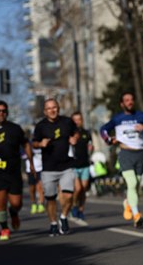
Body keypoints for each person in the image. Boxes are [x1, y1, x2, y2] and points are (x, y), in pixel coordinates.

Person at [100, 92, 143, 228]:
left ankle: (128, 203)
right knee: (131, 183)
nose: (130, 102)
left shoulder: (141, 116)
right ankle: (137, 215)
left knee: (136, 186)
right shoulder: (117, 118)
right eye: (126, 100)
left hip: (140, 154)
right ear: (122, 104)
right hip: (125, 153)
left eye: (131, 100)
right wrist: (109, 140)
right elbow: (103, 130)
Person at [0, 100, 35, 241]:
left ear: (7, 112)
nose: (1, 113)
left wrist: (31, 162)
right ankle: (4, 228)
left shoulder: (15, 128)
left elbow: (26, 144)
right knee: (0, 202)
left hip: (13, 172)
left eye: (3, 111)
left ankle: (14, 213)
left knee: (16, 203)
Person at [32, 99, 79, 236]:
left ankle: (63, 217)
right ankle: (53, 223)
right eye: (49, 108)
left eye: (54, 107)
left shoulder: (67, 121)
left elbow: (76, 132)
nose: (52, 110)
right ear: (45, 111)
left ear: (58, 108)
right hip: (49, 168)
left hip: (66, 165)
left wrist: (74, 138)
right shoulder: (41, 126)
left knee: (69, 195)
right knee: (51, 199)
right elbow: (33, 143)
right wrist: (40, 144)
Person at [70, 111, 93, 226]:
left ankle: (81, 210)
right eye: (75, 120)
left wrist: (91, 148)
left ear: (82, 120)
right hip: (74, 165)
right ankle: (74, 206)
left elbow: (90, 145)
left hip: (85, 165)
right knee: (77, 188)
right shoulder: (69, 133)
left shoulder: (86, 133)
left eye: (79, 119)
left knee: (83, 189)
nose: (77, 122)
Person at [25, 139, 45, 214]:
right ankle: (33, 204)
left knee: (40, 187)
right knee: (32, 188)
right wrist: (30, 153)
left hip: (41, 168)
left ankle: (41, 204)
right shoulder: (28, 144)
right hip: (30, 169)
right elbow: (23, 155)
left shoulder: (42, 143)